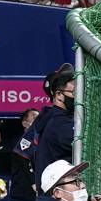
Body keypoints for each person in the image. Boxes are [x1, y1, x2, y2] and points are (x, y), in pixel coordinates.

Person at [31, 63, 75, 192]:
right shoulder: (58, 123)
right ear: (59, 95)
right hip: (56, 199)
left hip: (53, 195)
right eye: (73, 92)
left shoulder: (52, 118)